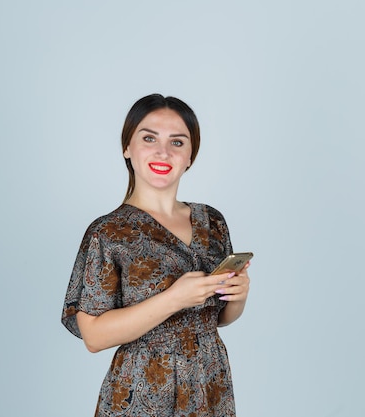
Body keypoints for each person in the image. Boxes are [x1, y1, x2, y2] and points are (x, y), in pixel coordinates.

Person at [61, 93, 250, 417]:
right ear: (127, 147)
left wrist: (239, 296)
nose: (163, 151)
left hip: (210, 383)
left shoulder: (212, 221)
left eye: (178, 142)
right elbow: (93, 336)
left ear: (190, 155)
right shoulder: (108, 232)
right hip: (143, 389)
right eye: (149, 138)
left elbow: (217, 318)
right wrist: (173, 298)